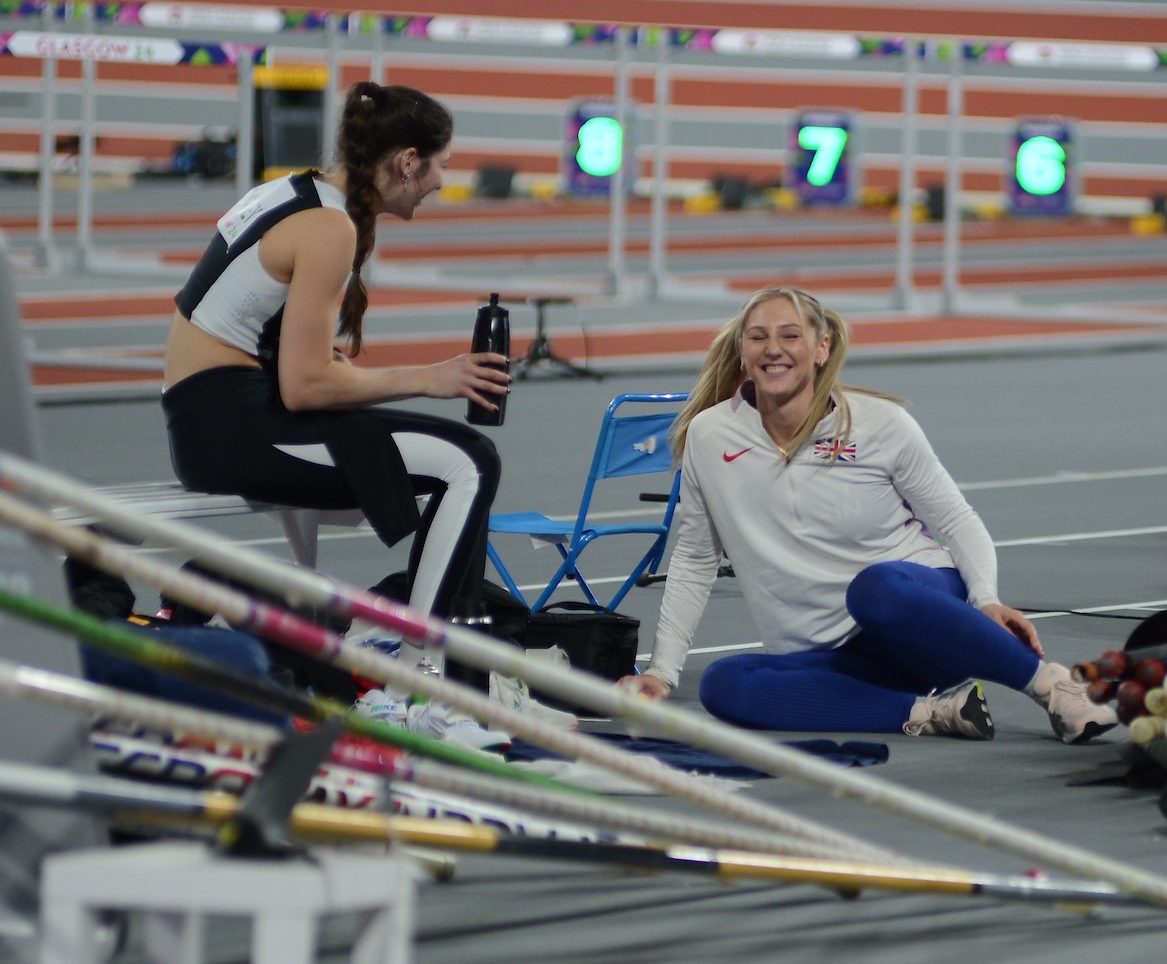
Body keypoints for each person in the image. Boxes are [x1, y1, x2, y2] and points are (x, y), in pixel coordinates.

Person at [620, 286, 1116, 744]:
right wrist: (661, 673)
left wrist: (985, 599)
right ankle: (932, 713)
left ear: (821, 348)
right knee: (724, 684)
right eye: (758, 337)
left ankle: (1053, 688)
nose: (773, 349)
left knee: (874, 590)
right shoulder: (710, 435)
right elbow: (695, 558)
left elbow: (955, 519)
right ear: (742, 351)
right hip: (835, 658)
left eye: (790, 335)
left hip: (917, 617)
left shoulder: (880, 423)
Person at [161, 82, 509, 650]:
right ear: (407, 162)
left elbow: (234, 317)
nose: (443, 182)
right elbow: (304, 387)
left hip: (208, 417)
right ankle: (427, 674)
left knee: (450, 453)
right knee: (469, 461)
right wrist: (431, 378)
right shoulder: (330, 227)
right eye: (442, 165)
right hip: (227, 428)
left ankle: (421, 652)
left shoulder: (292, 191)